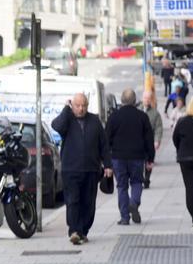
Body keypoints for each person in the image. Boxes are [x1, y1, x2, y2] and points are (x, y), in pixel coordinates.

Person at [52, 93, 113, 245]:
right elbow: (57, 126)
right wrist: (66, 109)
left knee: (88, 203)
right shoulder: (67, 120)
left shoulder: (94, 121)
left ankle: (83, 230)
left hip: (91, 169)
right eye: (78, 105)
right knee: (73, 201)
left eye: (84, 105)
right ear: (72, 105)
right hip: (71, 169)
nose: (81, 109)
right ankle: (74, 230)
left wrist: (108, 165)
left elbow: (103, 145)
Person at [106, 89, 155, 225]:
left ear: (121, 100)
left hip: (118, 157)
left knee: (121, 186)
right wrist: (150, 159)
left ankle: (124, 217)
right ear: (135, 101)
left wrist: (106, 160)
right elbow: (149, 139)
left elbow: (107, 139)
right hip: (137, 157)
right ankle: (133, 203)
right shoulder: (142, 117)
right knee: (137, 182)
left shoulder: (114, 117)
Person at [173, 97, 193, 230]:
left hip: (186, 159)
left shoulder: (182, 121)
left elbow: (175, 138)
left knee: (191, 188)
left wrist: (180, 150)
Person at [143, 90, 164, 189]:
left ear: (151, 100)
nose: (147, 100)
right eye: (145, 98)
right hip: (139, 141)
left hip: (149, 142)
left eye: (148, 98)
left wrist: (157, 140)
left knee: (149, 161)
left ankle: (147, 178)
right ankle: (140, 178)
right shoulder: (138, 110)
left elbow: (158, 127)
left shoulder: (155, 113)